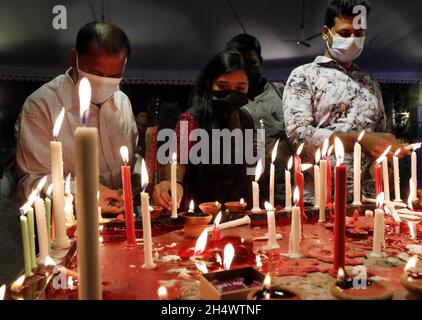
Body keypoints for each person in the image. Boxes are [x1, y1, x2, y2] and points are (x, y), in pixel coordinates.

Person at [283, 0, 410, 201]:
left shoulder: (370, 83)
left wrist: (387, 158)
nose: (352, 40)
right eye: (344, 33)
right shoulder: (304, 76)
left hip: (367, 199)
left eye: (359, 35)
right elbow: (299, 136)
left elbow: (380, 135)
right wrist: (359, 140)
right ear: (326, 33)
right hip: (317, 199)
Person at [15, 22, 138, 214]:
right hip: (69, 225)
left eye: (114, 76)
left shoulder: (122, 102)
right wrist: (84, 193)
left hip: (120, 222)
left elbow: (131, 158)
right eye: (96, 74)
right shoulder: (41, 107)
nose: (104, 83)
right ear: (74, 58)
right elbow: (32, 182)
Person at [153, 50, 255, 211]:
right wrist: (174, 183)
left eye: (240, 88)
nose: (231, 93)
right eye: (222, 86)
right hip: (201, 213)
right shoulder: (191, 118)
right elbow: (178, 161)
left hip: (238, 211)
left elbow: (251, 167)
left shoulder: (247, 119)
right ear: (209, 84)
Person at [225, 34, 291, 206]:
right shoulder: (224, 103)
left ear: (261, 61)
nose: (246, 70)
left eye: (251, 63)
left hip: (282, 192)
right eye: (239, 64)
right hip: (242, 194)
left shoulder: (283, 94)